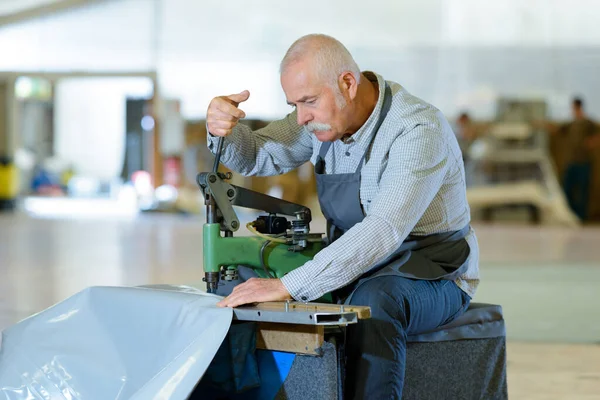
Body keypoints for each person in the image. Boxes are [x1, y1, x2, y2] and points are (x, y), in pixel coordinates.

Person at [206, 34, 479, 399]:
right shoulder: (320, 121)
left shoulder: (417, 130)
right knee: (240, 284)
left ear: (347, 84)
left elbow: (383, 229)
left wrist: (290, 286)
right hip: (358, 265)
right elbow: (258, 153)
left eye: (308, 102)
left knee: (377, 300)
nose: (301, 118)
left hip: (432, 273)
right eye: (294, 104)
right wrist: (222, 130)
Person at [541, 97, 600, 221]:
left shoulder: (587, 123)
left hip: (584, 162)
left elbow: (597, 135)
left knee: (583, 191)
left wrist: (591, 142)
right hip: (572, 161)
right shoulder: (571, 124)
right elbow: (557, 130)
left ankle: (581, 217)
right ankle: (570, 215)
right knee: (567, 189)